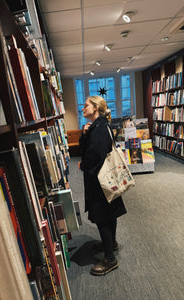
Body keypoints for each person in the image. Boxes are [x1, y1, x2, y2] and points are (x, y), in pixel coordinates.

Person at [78, 95, 127, 276]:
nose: (83, 109)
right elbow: (86, 148)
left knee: (101, 218)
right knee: (109, 214)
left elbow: (96, 155)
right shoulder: (98, 126)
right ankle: (111, 243)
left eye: (86, 105)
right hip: (105, 179)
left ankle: (110, 259)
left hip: (99, 181)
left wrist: (83, 165)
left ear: (96, 108)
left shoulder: (99, 128)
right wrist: (84, 134)